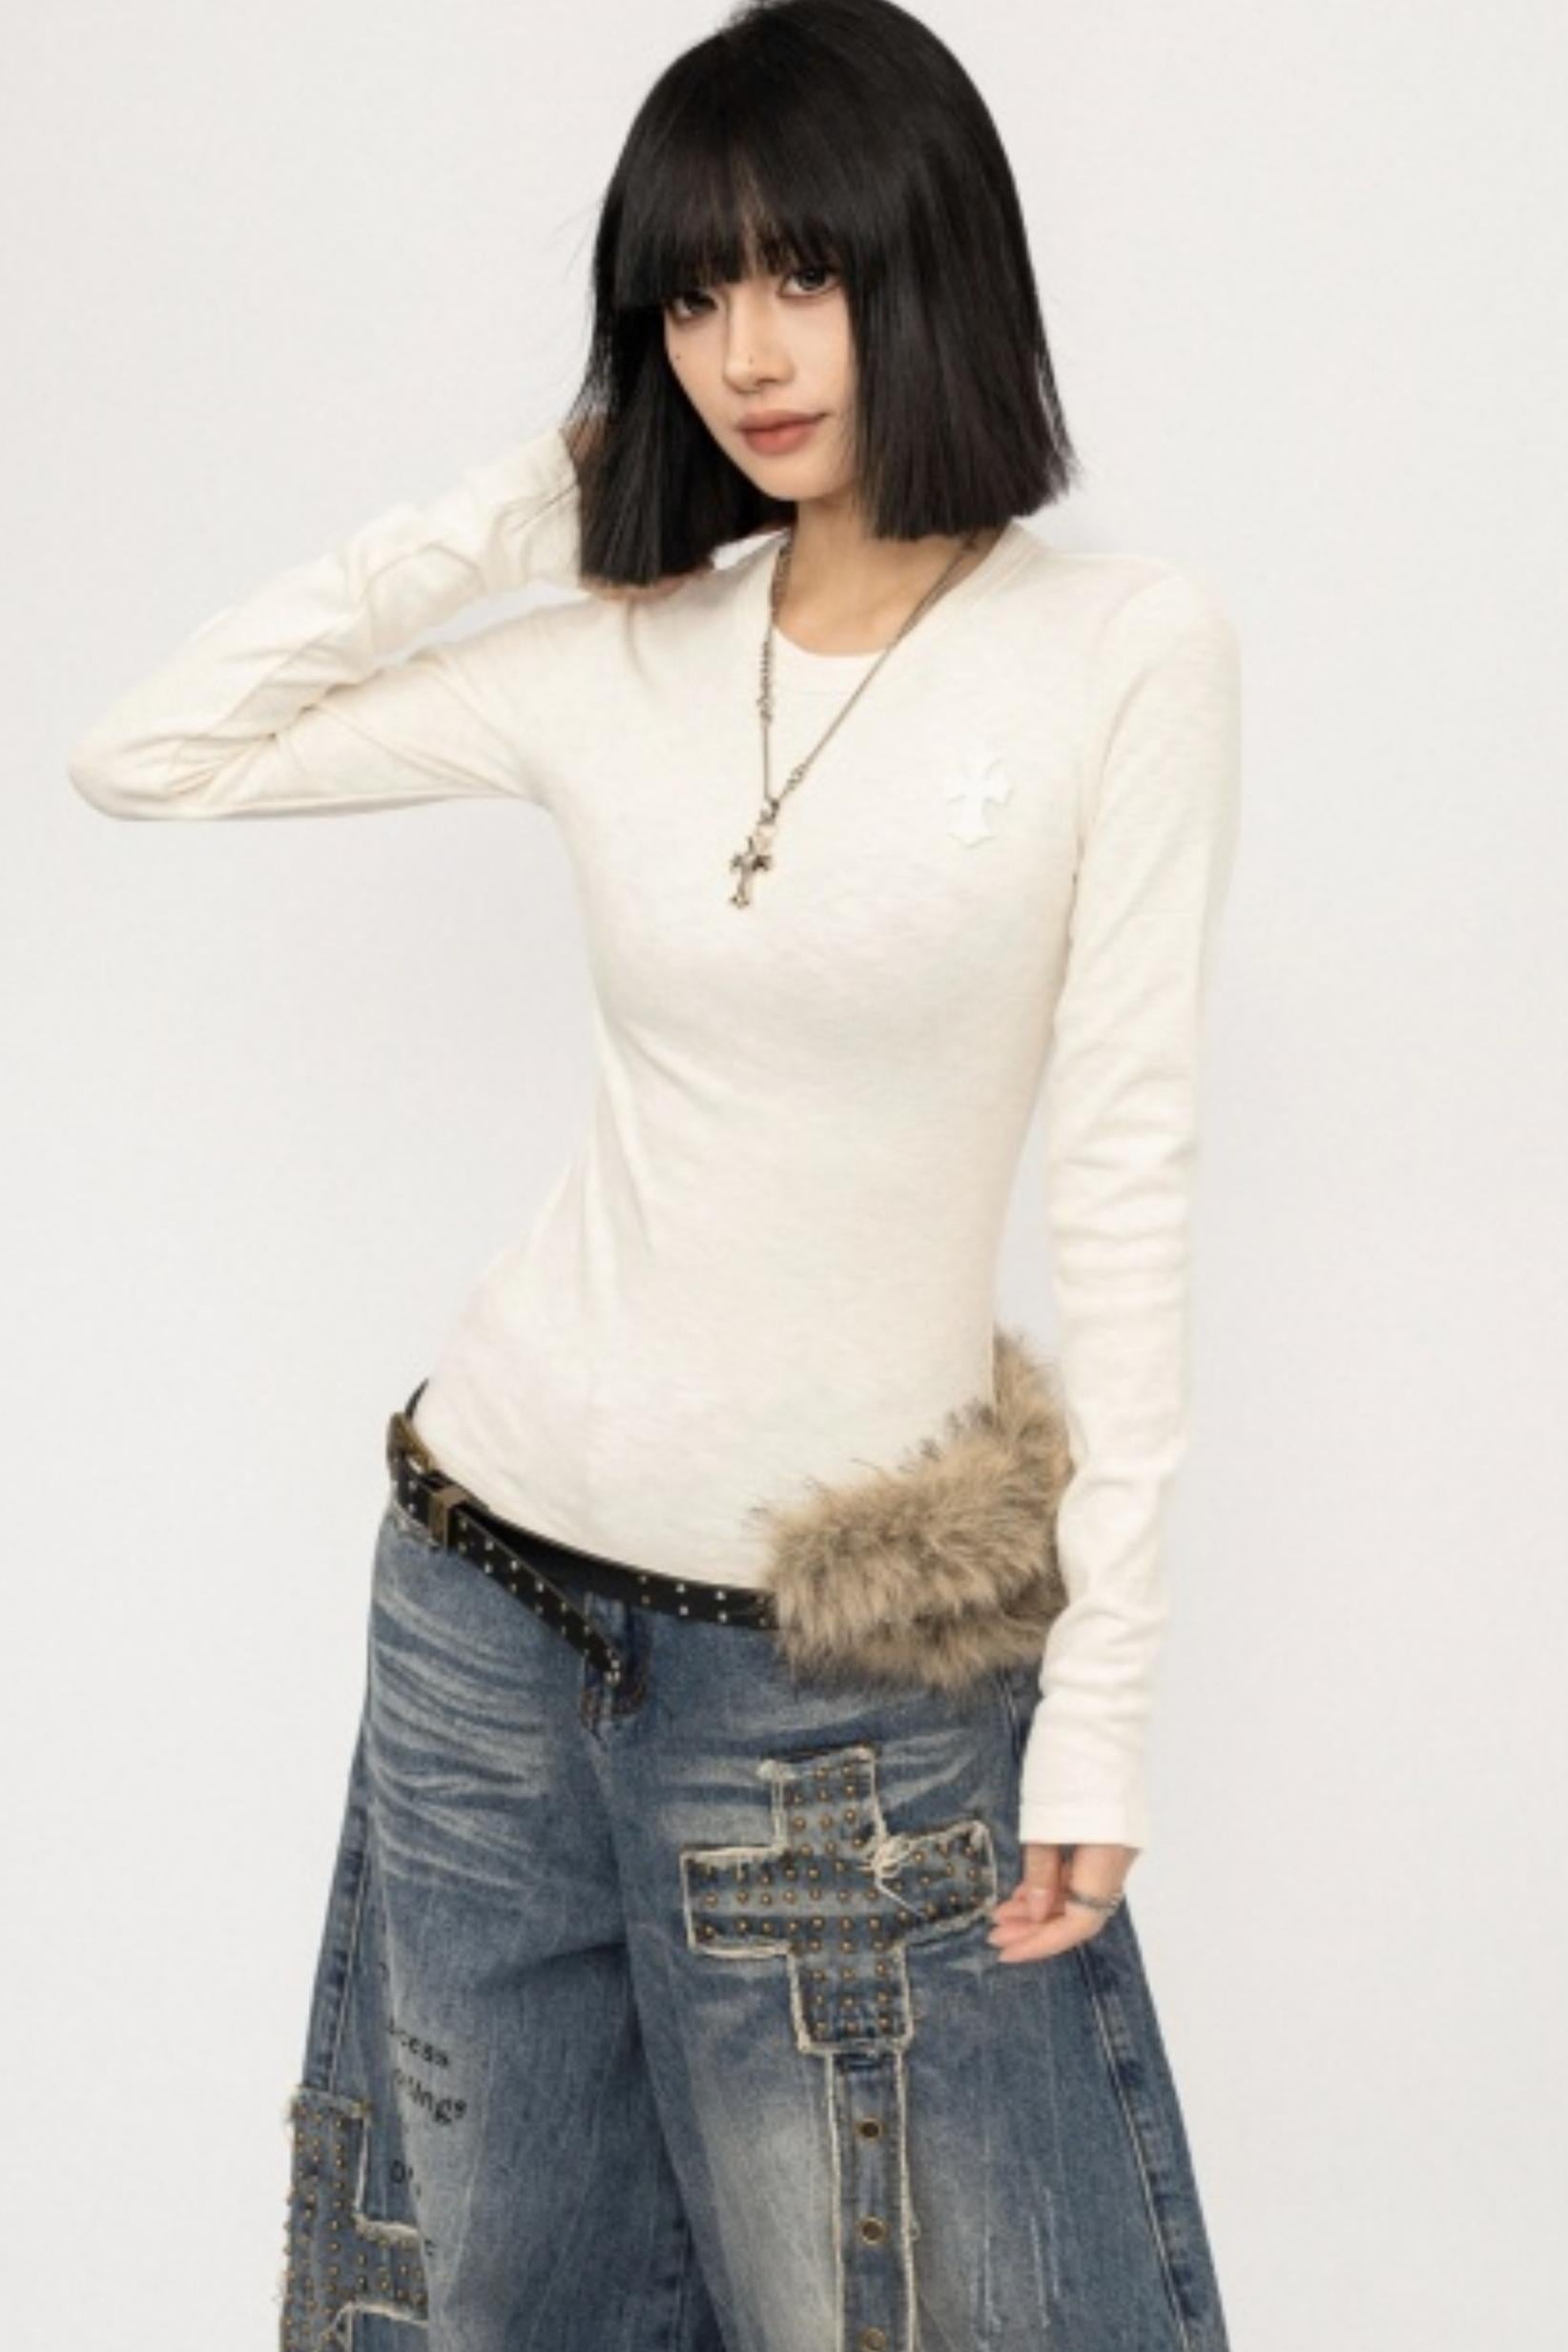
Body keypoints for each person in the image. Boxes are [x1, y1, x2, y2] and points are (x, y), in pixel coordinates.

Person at [68, 2, 1241, 2343]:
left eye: (803, 273)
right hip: (488, 1594)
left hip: (833, 1682)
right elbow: (149, 753)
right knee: (494, 2301)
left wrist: (1102, 1699)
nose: (747, 353)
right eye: (691, 295)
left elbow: (1128, 1181)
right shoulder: (626, 649)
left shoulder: (1120, 651)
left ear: (931, 263)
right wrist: (543, 494)